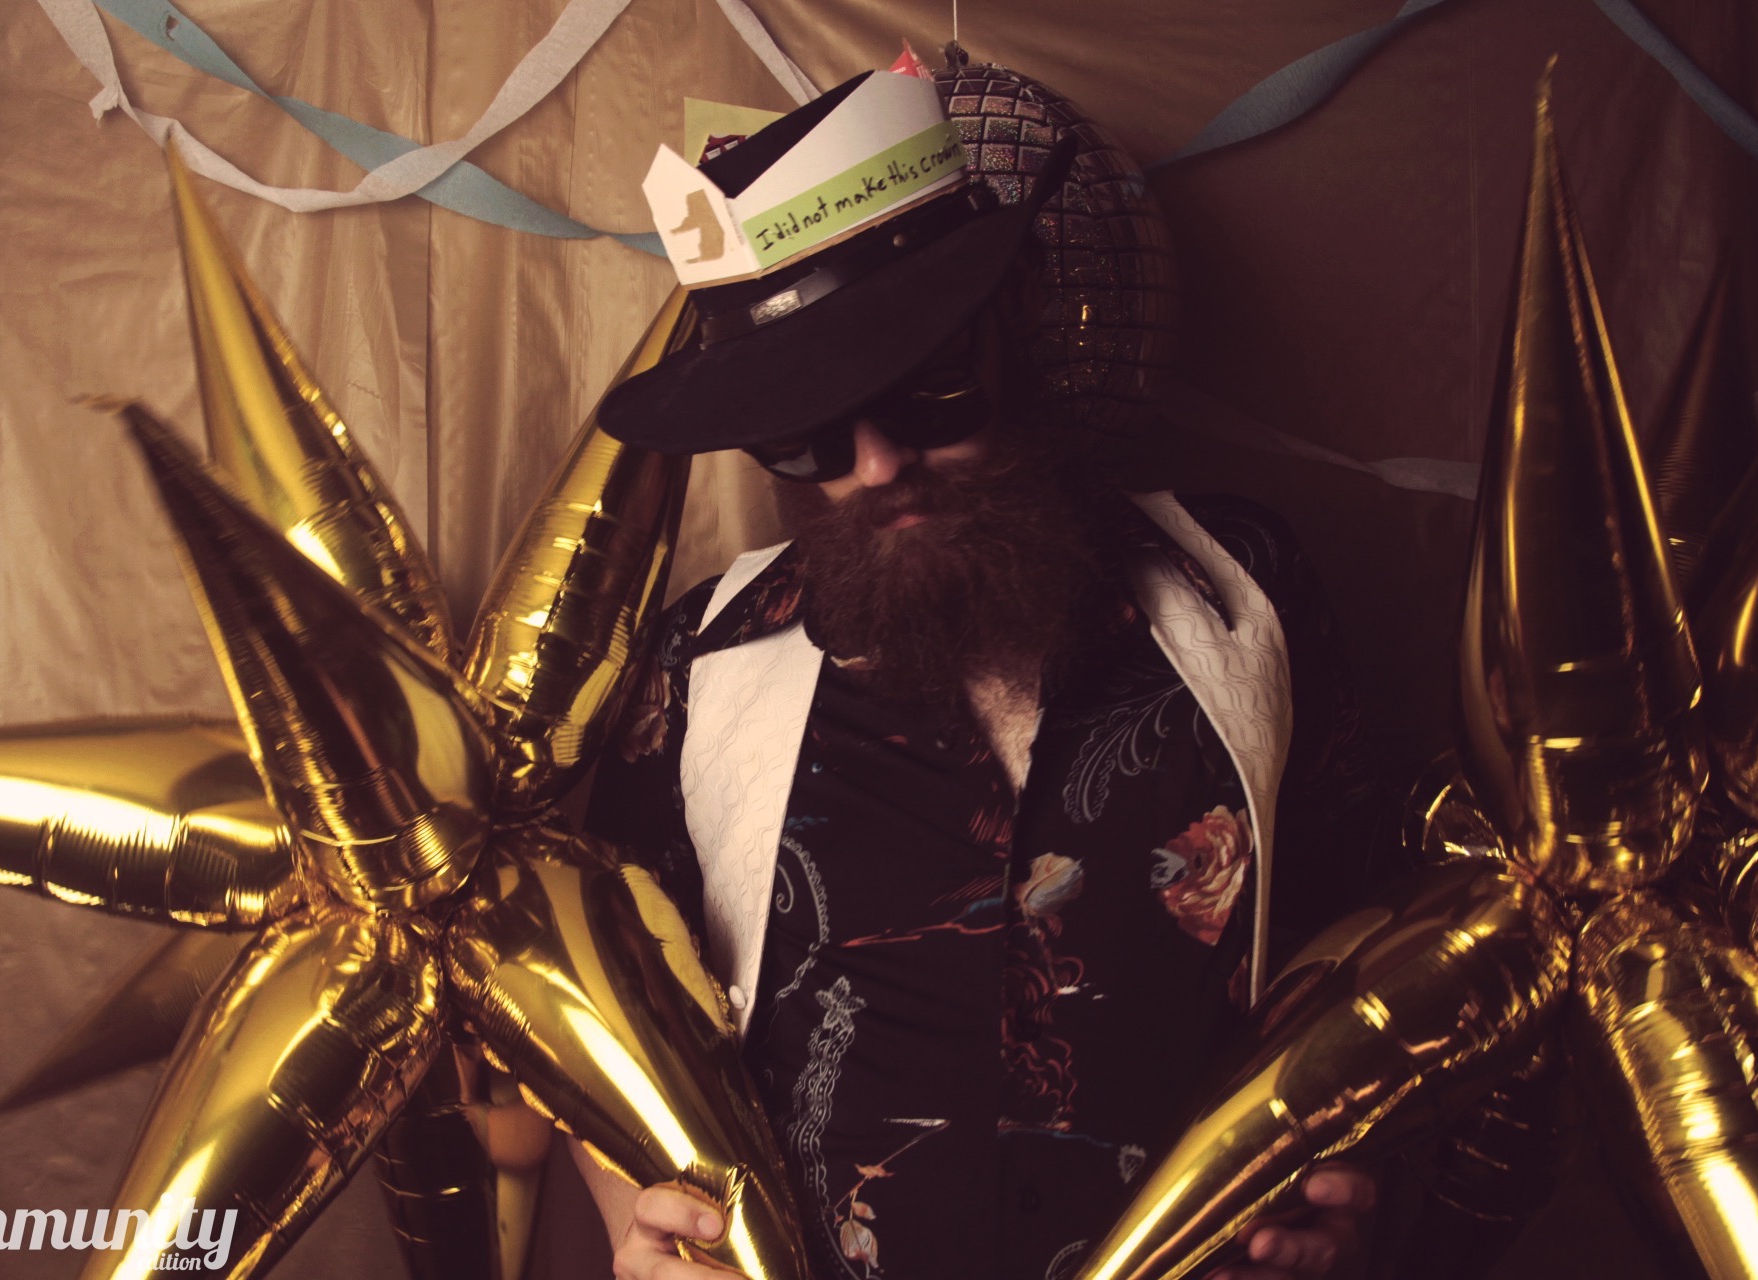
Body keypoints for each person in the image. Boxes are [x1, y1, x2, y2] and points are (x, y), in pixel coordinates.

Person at [578, 67, 1392, 1280]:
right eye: (807, 428)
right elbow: (614, 1005)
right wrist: (629, 1226)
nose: (876, 462)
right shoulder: (700, 662)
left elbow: (1363, 930)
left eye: (925, 383)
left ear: (1018, 318)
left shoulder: (1242, 588)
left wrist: (1352, 1187)